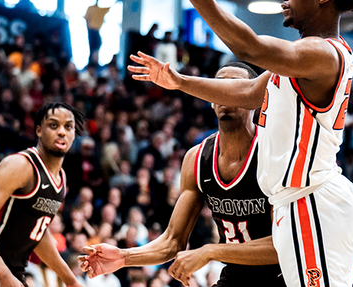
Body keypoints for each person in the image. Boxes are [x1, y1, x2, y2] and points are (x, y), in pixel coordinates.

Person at [131, 0, 353, 287]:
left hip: (313, 199)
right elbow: (246, 92)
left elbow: (248, 47)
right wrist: (179, 81)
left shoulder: (320, 53)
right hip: (296, 200)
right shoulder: (294, 62)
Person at [79, 63, 284, 287]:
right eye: (219, 86)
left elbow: (284, 245)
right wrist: (124, 257)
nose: (226, 92)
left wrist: (211, 251)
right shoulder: (196, 159)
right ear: (211, 99)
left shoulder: (275, 153)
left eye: (235, 86)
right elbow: (172, 241)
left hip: (281, 277)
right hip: (234, 277)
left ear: (255, 99)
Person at [0, 103, 86, 287]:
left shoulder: (61, 178)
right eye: (54, 125)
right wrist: (3, 274)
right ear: (38, 130)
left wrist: (70, 280)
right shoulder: (21, 166)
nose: (62, 132)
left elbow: (37, 232)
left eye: (68, 126)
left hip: (13, 272)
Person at [84, 0, 110, 64]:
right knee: (93, 49)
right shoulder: (91, 8)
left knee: (96, 48)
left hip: (95, 32)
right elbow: (86, 20)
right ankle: (92, 64)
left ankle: (94, 64)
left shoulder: (100, 9)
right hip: (91, 32)